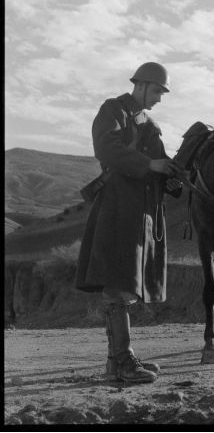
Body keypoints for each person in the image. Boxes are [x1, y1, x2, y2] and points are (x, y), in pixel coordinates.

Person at [76, 62, 182, 383]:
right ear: (140, 85)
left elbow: (161, 165)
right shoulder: (113, 109)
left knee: (125, 284)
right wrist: (151, 163)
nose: (160, 99)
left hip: (142, 214)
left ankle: (118, 362)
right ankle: (122, 362)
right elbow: (107, 149)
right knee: (117, 286)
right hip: (117, 209)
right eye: (157, 92)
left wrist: (175, 178)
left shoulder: (150, 124)